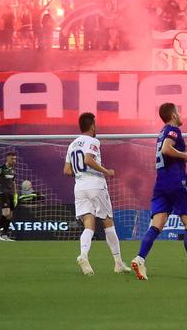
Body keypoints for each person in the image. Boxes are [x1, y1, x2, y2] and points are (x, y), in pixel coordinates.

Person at [132, 102, 187, 280]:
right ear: (173, 115)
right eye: (178, 111)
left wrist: (181, 154)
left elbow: (165, 149)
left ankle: (139, 259)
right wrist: (186, 156)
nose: (180, 114)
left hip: (161, 184)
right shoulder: (173, 130)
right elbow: (166, 149)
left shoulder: (161, 133)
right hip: (177, 183)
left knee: (156, 225)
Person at [63, 112, 125, 276]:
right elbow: (88, 159)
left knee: (88, 226)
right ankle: (118, 263)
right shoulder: (93, 141)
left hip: (79, 186)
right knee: (108, 222)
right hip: (95, 185)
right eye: (95, 124)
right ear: (92, 126)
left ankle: (83, 255)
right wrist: (106, 171)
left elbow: (67, 170)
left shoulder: (72, 144)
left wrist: (80, 173)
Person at [0, 149, 18, 241]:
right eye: (12, 159)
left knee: (10, 215)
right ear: (7, 159)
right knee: (6, 213)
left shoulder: (12, 170)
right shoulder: (0, 168)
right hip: (3, 193)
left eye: (15, 159)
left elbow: (13, 183)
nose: (14, 161)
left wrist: (15, 194)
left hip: (10, 194)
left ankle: (5, 234)